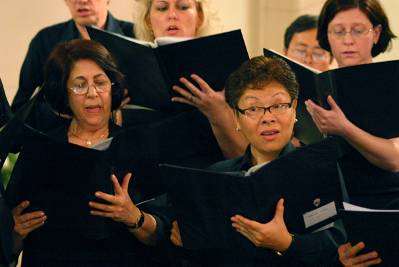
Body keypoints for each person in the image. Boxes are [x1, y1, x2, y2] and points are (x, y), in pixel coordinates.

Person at [6, 40, 170, 267]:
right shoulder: (39, 148)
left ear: (113, 88)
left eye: (100, 83)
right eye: (80, 85)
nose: (92, 93)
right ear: (64, 93)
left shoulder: (141, 143)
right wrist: (13, 233)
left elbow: (163, 237)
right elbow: (10, 244)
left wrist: (133, 217)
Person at [170, 56, 346, 266]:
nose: (268, 117)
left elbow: (339, 243)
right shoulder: (217, 176)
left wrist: (287, 243)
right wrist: (185, 240)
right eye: (253, 109)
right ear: (236, 117)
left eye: (279, 105)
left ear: (294, 108)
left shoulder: (320, 168)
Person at [304, 0, 397, 265]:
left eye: (358, 30)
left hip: (385, 204)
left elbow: (393, 159)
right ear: (326, 35)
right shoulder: (317, 85)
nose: (348, 40)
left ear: (376, 33)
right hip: (330, 208)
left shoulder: (392, 81)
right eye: (338, 31)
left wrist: (343, 128)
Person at [132, 0, 247, 158]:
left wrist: (219, 112)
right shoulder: (133, 64)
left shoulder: (225, 63)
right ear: (148, 20)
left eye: (183, 7)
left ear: (199, 17)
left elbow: (246, 157)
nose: (172, 15)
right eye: (162, 8)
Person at [11, 0, 134, 130]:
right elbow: (21, 110)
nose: (82, 1)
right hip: (62, 138)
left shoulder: (136, 35)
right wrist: (67, 109)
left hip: (125, 135)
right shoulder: (45, 40)